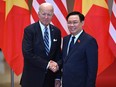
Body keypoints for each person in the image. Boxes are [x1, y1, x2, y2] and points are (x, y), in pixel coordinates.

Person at [20, 3, 62, 87]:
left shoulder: (56, 31)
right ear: (38, 14)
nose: (46, 17)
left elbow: (58, 54)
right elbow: (27, 53)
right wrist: (47, 64)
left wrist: (57, 77)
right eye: (44, 14)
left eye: (49, 14)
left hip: (50, 79)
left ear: (52, 16)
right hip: (32, 79)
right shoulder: (29, 30)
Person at [62, 11, 98, 87]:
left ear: (82, 23)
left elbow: (92, 68)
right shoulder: (65, 39)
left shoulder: (89, 41)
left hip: (81, 84)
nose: (71, 25)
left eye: (75, 22)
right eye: (69, 22)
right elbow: (65, 61)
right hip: (66, 83)